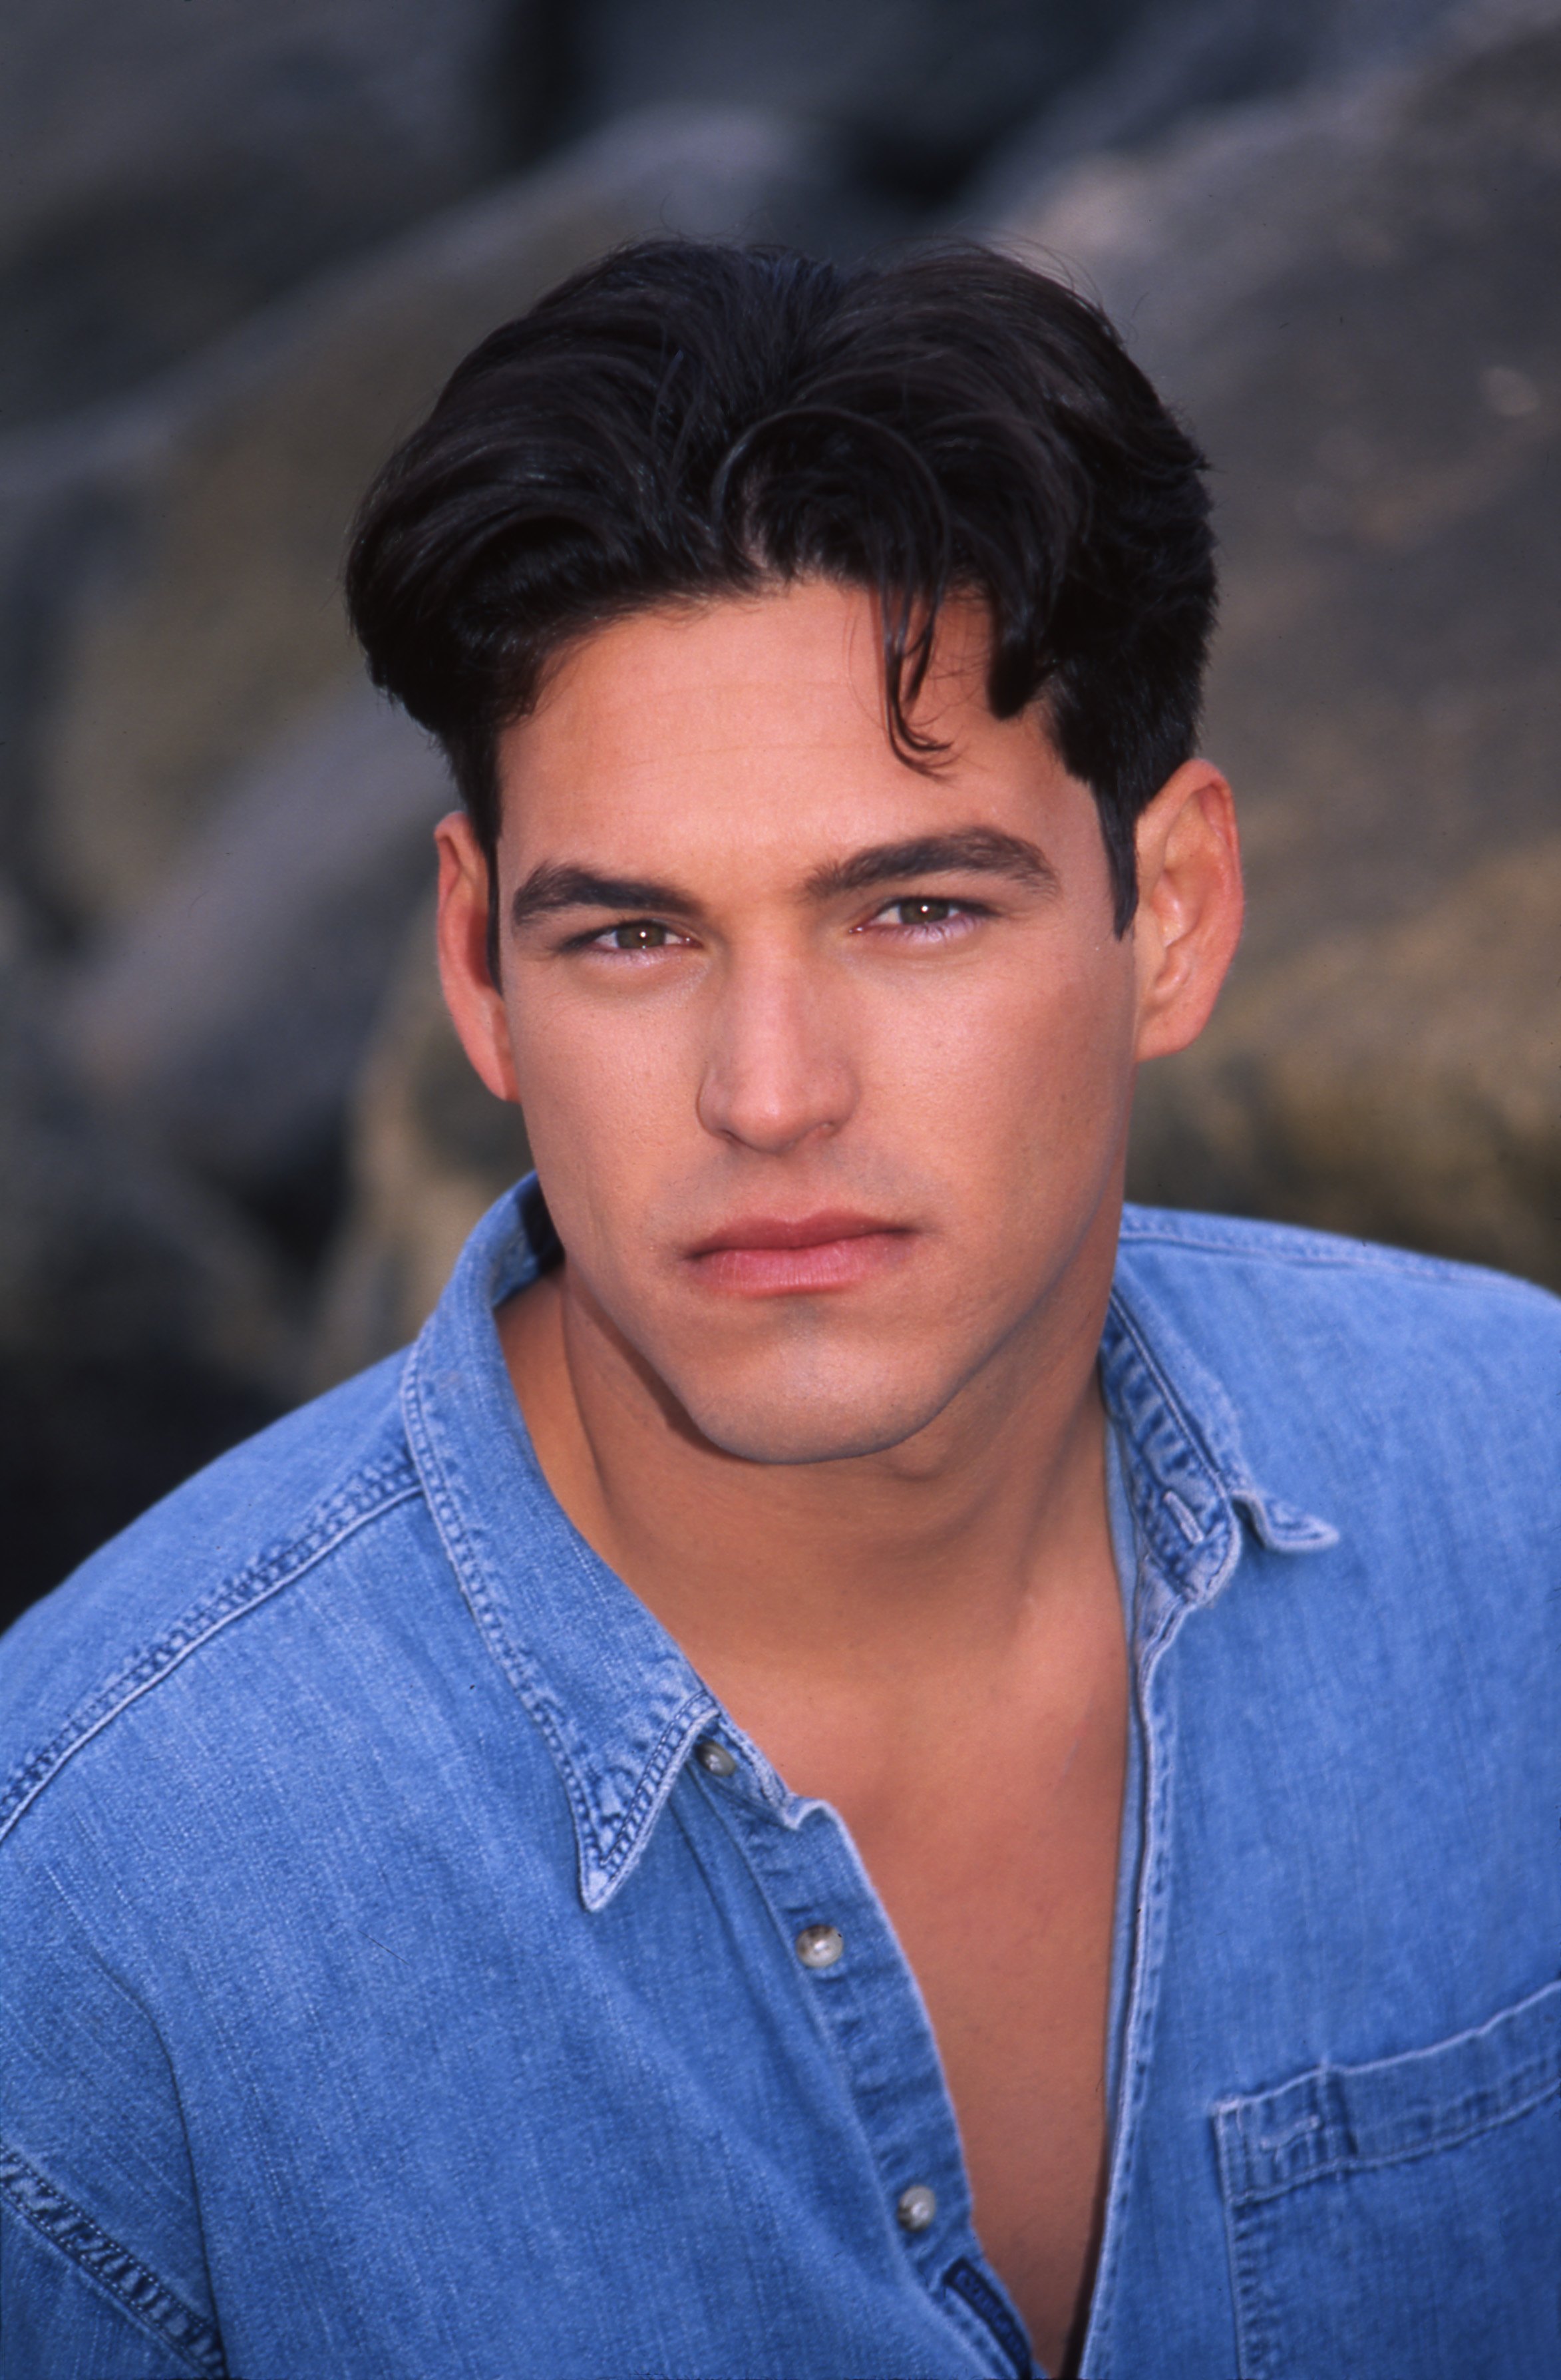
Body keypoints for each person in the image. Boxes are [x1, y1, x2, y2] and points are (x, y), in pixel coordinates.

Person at [2, 240, 1555, 2380]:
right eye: (634, 936)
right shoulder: (101, 1895)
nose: (767, 1093)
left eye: (913, 908)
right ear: (477, 972)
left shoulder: (1527, 1507)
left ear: (1169, 913)